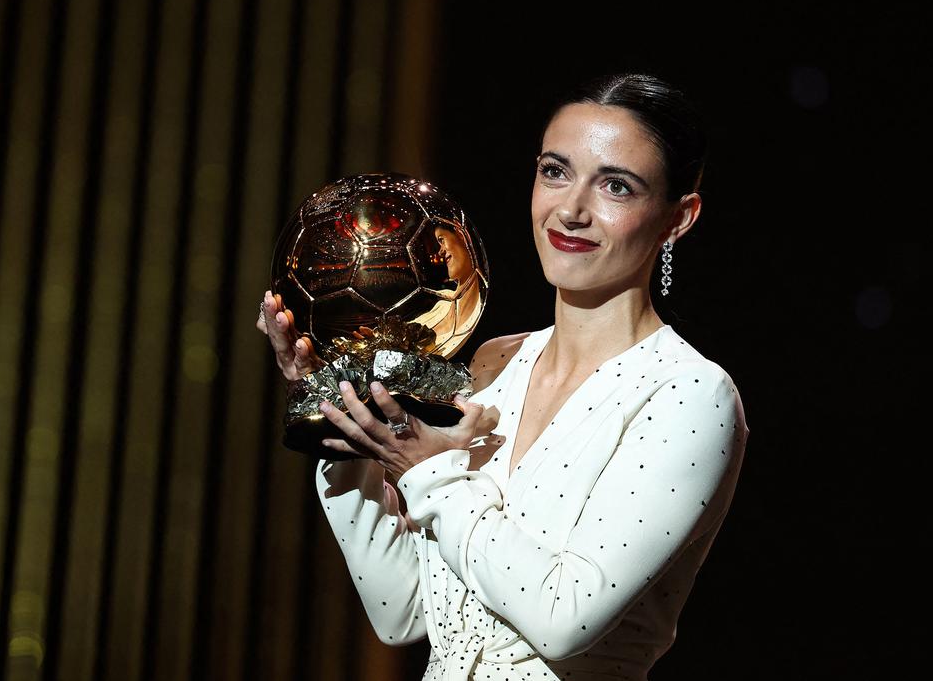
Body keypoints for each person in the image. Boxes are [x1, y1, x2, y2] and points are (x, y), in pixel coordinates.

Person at [256, 72, 749, 681]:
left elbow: (563, 617)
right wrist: (338, 406)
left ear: (679, 217)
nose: (570, 210)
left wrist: (426, 472)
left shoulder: (688, 394)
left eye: (616, 186)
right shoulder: (493, 363)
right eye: (555, 171)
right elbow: (404, 612)